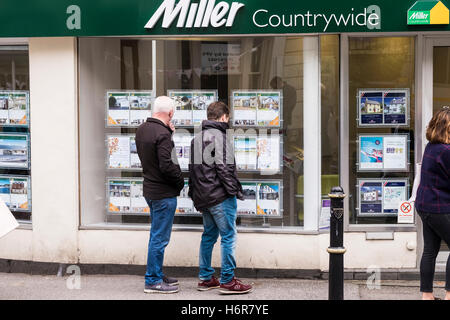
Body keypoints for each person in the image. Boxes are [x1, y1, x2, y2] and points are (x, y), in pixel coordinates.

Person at [188, 101, 253, 294]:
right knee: (228, 237)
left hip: (204, 197)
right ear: (224, 117)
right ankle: (227, 280)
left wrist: (195, 196)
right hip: (220, 196)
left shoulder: (196, 139)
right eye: (228, 118)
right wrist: (234, 191)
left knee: (208, 236)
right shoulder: (221, 137)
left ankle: (206, 278)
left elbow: (192, 171)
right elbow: (224, 170)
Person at [135, 96, 184, 294]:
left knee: (156, 235)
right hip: (163, 193)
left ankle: (155, 272)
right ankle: (153, 280)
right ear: (170, 113)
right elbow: (166, 165)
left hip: (150, 189)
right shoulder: (162, 133)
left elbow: (153, 160)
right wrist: (180, 181)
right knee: (160, 238)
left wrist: (168, 133)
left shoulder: (143, 129)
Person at [415, 106, 450, 300]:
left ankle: (427, 296)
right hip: (439, 207)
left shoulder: (432, 147)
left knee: (430, 250)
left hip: (424, 206)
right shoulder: (447, 151)